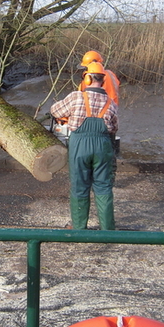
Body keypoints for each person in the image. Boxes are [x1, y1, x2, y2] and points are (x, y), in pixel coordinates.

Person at [50, 61, 118, 230]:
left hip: (79, 146)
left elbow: (55, 111)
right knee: (103, 186)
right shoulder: (111, 103)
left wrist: (68, 118)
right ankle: (108, 229)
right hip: (103, 146)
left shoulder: (76, 97)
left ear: (87, 79)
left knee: (80, 186)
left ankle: (79, 228)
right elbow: (114, 128)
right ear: (102, 80)